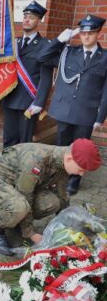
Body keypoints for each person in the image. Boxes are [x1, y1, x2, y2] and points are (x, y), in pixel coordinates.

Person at [0, 139, 102, 256]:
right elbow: (25, 195)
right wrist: (30, 233)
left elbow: (61, 193)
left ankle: (17, 221)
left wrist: (70, 223)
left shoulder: (62, 162)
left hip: (18, 182)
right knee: (19, 207)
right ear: (69, 159)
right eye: (81, 170)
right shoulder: (36, 160)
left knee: (52, 203)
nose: (81, 174)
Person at [38, 14, 107, 196]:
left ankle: (74, 180)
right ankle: (58, 177)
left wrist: (100, 117)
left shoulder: (105, 57)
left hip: (86, 112)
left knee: (81, 147)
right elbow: (42, 57)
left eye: (91, 33)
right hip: (65, 110)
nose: (85, 36)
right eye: (83, 33)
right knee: (62, 145)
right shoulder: (68, 52)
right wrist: (60, 40)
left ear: (98, 34)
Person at [2, 1, 53, 148]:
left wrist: (39, 102)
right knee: (8, 139)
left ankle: (20, 170)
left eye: (31, 17)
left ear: (39, 20)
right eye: (25, 16)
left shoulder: (45, 45)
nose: (26, 19)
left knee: (24, 141)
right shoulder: (13, 43)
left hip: (28, 101)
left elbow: (46, 77)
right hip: (10, 97)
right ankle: (6, 166)